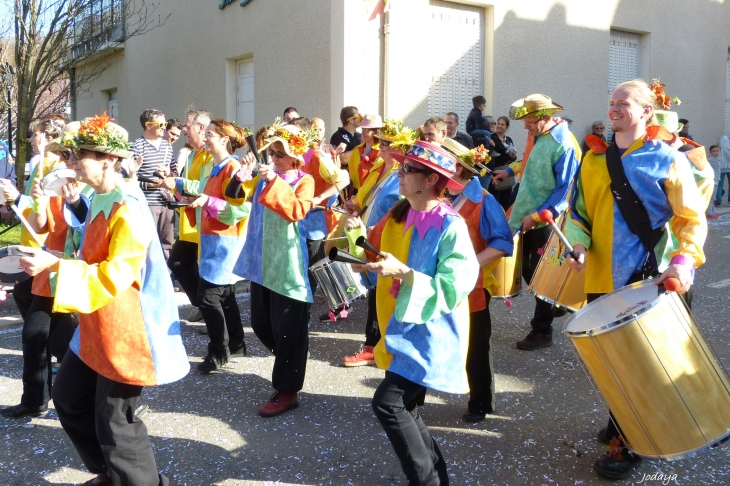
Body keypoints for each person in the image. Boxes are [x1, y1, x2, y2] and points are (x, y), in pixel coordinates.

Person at [18, 113, 189, 486]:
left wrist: (55, 266)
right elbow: (92, 241)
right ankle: (112, 473)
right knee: (68, 397)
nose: (71, 164)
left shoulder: (129, 206)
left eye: (79, 157)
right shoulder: (102, 194)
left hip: (130, 329)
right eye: (70, 157)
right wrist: (75, 208)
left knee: (116, 424)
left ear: (109, 159)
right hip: (99, 320)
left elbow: (117, 274)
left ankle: (136, 479)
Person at [564, 78, 707, 480]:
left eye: (624, 103)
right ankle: (621, 424)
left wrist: (682, 260)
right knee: (612, 365)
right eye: (612, 102)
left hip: (650, 278)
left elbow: (690, 219)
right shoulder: (592, 159)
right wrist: (575, 245)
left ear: (647, 111)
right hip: (600, 277)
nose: (614, 108)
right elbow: (578, 216)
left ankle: (627, 445)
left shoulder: (668, 158)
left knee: (640, 366)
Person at [358, 140, 478, 485]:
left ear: (430, 180)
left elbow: (456, 285)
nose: (400, 172)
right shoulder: (401, 211)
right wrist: (357, 248)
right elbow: (374, 250)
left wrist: (406, 274)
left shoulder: (450, 226)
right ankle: (435, 478)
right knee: (404, 407)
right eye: (403, 166)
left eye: (408, 169)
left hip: (431, 335)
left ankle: (425, 480)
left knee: (388, 403)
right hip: (400, 329)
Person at [226, 123, 314, 417]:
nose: (274, 157)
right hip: (262, 265)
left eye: (281, 153)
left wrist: (273, 180)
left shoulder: (304, 181)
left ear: (295, 158)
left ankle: (288, 389)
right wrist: (240, 175)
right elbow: (233, 197)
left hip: (288, 268)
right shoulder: (265, 177)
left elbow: (296, 211)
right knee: (263, 326)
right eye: (272, 152)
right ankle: (293, 358)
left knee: (288, 332)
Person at [491, 94, 581, 350]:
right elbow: (530, 161)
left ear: (544, 118)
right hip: (527, 214)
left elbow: (565, 190)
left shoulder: (564, 144)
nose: (524, 126)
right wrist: (509, 170)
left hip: (547, 220)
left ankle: (542, 330)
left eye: (529, 121)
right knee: (532, 272)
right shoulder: (538, 136)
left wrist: (537, 216)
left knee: (541, 274)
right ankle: (555, 305)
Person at [0, 131, 77, 420]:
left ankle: (102, 390)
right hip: (47, 266)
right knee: (38, 333)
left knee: (52, 336)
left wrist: (21, 198)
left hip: (67, 267)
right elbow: (40, 225)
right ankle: (35, 399)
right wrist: (30, 200)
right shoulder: (47, 181)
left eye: (61, 157)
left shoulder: (76, 186)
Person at [441, 137, 513, 423]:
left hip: (472, 288)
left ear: (460, 168)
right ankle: (415, 395)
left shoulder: (484, 200)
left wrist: (470, 263)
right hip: (438, 285)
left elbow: (502, 243)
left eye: (445, 163)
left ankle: (481, 402)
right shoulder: (437, 196)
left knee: (476, 347)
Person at [338, 119, 413, 364]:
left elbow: (398, 210)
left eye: (387, 143)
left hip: (387, 241)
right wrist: (355, 204)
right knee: (375, 294)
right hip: (372, 238)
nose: (380, 145)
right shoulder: (381, 169)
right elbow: (365, 195)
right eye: (381, 141)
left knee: (381, 294)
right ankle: (375, 344)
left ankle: (376, 345)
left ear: (400, 151)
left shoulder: (398, 177)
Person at [185, 119, 251, 372]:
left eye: (210, 133)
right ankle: (235, 343)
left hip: (226, 241)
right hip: (214, 240)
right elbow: (205, 193)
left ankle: (218, 351)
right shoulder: (217, 166)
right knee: (224, 295)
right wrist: (180, 187)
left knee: (208, 297)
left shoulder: (232, 167)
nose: (205, 136)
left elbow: (241, 208)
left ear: (224, 140)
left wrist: (208, 202)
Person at [161, 110, 213, 323]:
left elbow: (204, 187)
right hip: (191, 221)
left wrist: (178, 183)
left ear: (201, 128)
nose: (183, 131)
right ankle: (203, 306)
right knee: (179, 263)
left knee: (194, 268)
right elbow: (185, 189)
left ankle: (213, 317)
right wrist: (172, 182)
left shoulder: (210, 154)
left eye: (187, 126)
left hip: (206, 222)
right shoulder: (192, 154)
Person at [130, 109, 176, 259]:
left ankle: (166, 278)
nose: (164, 127)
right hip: (148, 203)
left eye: (165, 123)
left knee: (167, 244)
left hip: (167, 202)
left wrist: (170, 176)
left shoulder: (167, 146)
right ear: (148, 125)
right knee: (148, 243)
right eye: (161, 124)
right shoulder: (137, 146)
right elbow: (129, 179)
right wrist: (150, 185)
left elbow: (175, 173)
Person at [485, 116, 518, 209]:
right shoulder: (491, 137)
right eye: (498, 123)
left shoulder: (509, 140)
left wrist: (512, 156)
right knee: (494, 200)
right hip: (495, 172)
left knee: (505, 201)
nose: (499, 126)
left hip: (506, 172)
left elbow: (512, 158)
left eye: (502, 124)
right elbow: (490, 152)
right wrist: (504, 151)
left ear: (507, 127)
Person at [346, 114, 382, 193]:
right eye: (363, 129)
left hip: (369, 193)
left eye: (368, 130)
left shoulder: (380, 151)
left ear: (376, 131)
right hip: (353, 193)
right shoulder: (357, 149)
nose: (364, 132)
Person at [714, 135, 730, 206]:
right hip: (727, 166)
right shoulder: (726, 142)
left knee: (720, 184)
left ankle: (718, 200)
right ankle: (727, 200)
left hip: (721, 166)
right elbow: (727, 152)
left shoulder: (720, 143)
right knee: (721, 183)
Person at [707, 144, 721, 218]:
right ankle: (709, 212)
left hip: (716, 179)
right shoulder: (711, 160)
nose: (716, 152)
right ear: (710, 152)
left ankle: (712, 211)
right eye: (714, 151)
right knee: (711, 197)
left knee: (713, 197)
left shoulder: (718, 158)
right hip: (712, 179)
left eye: (717, 151)